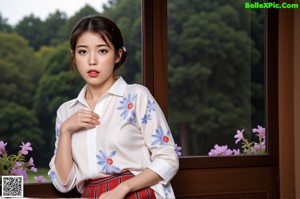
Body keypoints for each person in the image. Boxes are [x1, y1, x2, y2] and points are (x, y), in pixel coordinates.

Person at [48, 15, 179, 199]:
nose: (92, 61)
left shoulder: (136, 96)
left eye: (102, 51)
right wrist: (65, 130)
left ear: (117, 55)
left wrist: (123, 189)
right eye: (83, 52)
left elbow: (168, 159)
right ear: (74, 56)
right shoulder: (66, 111)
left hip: (138, 193)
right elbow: (63, 183)